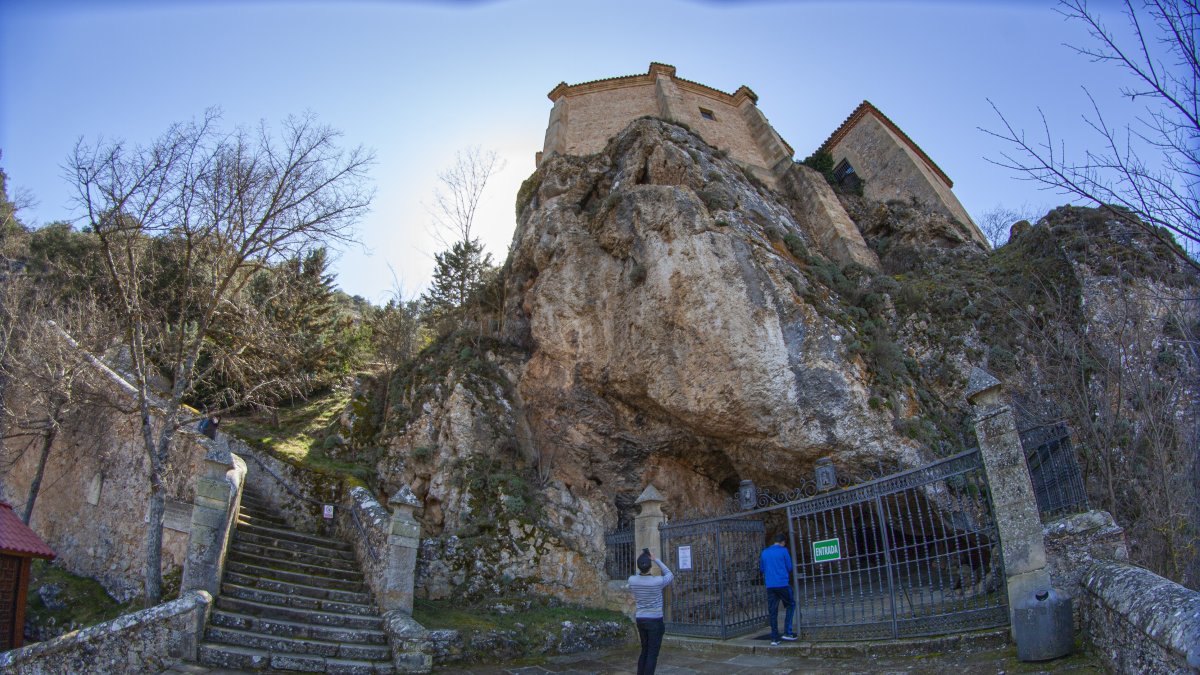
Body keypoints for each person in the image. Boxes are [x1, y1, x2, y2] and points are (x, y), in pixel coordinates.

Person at [628, 548, 673, 675]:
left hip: (641, 619)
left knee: (644, 651)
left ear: (639, 567)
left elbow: (639, 575)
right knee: (652, 654)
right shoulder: (657, 581)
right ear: (650, 567)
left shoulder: (632, 580)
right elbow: (669, 574)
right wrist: (655, 559)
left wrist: (642, 562)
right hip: (655, 620)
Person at [760, 532, 798, 646]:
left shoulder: (764, 552)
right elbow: (790, 567)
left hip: (770, 585)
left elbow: (762, 569)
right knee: (791, 605)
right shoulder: (783, 550)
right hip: (782, 583)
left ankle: (774, 638)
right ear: (783, 542)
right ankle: (788, 632)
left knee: (773, 611)